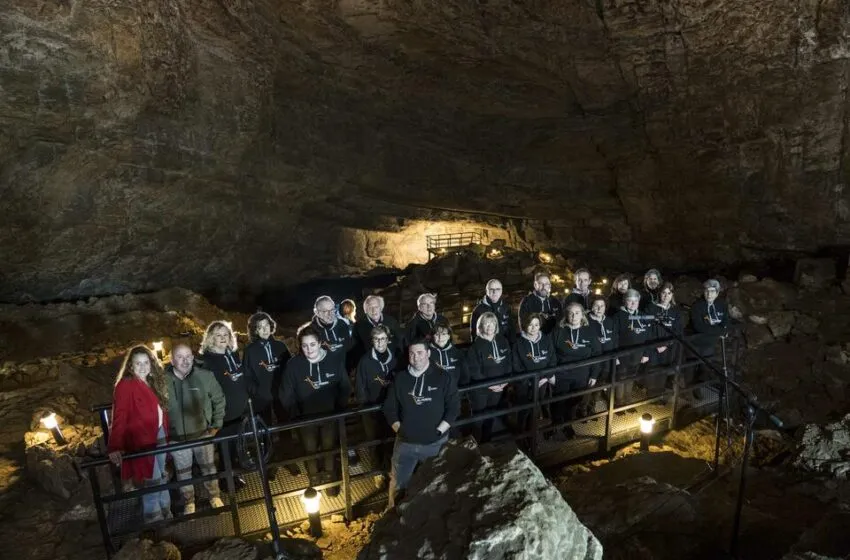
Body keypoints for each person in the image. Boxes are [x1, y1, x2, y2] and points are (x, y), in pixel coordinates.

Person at [383, 339, 459, 508]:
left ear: (428, 353)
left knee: (437, 483)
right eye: (412, 353)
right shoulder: (400, 378)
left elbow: (453, 408)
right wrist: (401, 430)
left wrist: (439, 431)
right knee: (398, 485)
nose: (415, 357)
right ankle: (393, 518)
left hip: (435, 444)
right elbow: (389, 408)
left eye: (419, 353)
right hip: (405, 444)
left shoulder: (443, 377)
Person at [279, 326, 350, 495]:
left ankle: (330, 478)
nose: (309, 349)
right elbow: (286, 393)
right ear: (300, 346)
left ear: (320, 343)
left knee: (329, 446)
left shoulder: (334, 360)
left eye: (312, 344)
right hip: (305, 417)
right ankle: (314, 479)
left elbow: (344, 386)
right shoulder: (293, 365)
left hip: (329, 413)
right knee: (309, 449)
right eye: (304, 346)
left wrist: (338, 408)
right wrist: (295, 414)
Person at [107, 345, 171, 524]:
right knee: (153, 480)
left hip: (158, 434)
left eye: (146, 362)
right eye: (138, 363)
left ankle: (166, 512)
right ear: (131, 366)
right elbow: (119, 416)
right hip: (142, 439)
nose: (142, 367)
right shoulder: (126, 385)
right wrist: (114, 446)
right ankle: (154, 520)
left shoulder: (152, 381)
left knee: (163, 477)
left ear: (151, 364)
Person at [165, 344, 226, 515]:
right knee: (183, 472)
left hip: (202, 434)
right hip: (177, 438)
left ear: (193, 357)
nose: (185, 361)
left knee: (208, 467)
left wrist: (216, 424)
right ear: (171, 360)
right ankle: (189, 502)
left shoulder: (205, 376)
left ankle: (214, 496)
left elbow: (219, 399)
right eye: (180, 357)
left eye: (188, 356)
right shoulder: (163, 381)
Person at [355, 325, 397, 480]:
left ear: (388, 339)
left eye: (383, 339)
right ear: (372, 341)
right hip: (372, 407)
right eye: (376, 339)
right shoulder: (365, 361)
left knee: (391, 439)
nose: (380, 343)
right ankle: (377, 473)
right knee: (374, 441)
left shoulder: (395, 358)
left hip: (392, 408)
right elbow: (360, 386)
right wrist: (366, 407)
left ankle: (391, 469)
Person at [552, 303, 601, 433]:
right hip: (562, 374)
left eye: (577, 313)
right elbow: (551, 353)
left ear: (582, 315)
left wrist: (594, 375)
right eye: (571, 313)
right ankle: (555, 425)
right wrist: (550, 375)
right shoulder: (559, 331)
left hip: (581, 374)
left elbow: (597, 354)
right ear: (566, 315)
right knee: (559, 401)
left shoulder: (589, 331)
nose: (574, 316)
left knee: (574, 401)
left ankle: (568, 425)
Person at [465, 312, 512, 443]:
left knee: (491, 416)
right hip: (481, 390)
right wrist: (490, 385)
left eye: (492, 323)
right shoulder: (475, 347)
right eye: (486, 324)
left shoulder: (503, 341)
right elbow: (474, 370)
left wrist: (505, 381)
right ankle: (473, 443)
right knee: (478, 419)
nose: (489, 326)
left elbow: (508, 362)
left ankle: (486, 441)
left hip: (499, 388)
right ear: (480, 327)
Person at [511, 313, 558, 442]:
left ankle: (535, 434)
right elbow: (516, 365)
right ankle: (521, 436)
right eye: (530, 325)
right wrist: (530, 381)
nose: (533, 328)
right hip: (525, 383)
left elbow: (552, 360)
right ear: (525, 326)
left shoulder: (546, 340)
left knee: (539, 407)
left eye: (536, 325)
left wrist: (545, 377)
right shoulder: (518, 343)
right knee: (524, 410)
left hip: (542, 381)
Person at [243, 312, 292, 426]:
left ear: (271, 326)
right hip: (262, 398)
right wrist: (257, 392)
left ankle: (287, 444)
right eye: (260, 327)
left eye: (267, 326)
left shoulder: (280, 346)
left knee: (285, 425)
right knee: (265, 428)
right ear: (255, 330)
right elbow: (247, 376)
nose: (265, 330)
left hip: (280, 394)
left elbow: (289, 369)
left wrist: (287, 389)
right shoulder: (250, 351)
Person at [612, 290, 653, 407]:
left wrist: (646, 353)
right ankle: (619, 403)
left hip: (637, 354)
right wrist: (616, 356)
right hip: (622, 354)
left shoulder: (643, 316)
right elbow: (614, 337)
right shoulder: (618, 316)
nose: (633, 304)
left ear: (639, 302)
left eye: (635, 301)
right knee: (621, 378)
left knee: (631, 377)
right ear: (625, 301)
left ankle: (628, 400)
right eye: (630, 301)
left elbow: (648, 336)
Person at [689, 279, 728, 396]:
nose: (709, 294)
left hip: (709, 343)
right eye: (707, 291)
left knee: (704, 368)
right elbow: (699, 326)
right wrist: (719, 331)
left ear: (717, 293)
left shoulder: (722, 305)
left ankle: (698, 388)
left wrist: (720, 329)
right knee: (690, 367)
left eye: (712, 291)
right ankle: (687, 390)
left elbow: (726, 322)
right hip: (694, 342)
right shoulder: (697, 306)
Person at [587, 295, 618, 404]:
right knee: (589, 386)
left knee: (601, 383)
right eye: (596, 306)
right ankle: (584, 409)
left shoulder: (610, 321)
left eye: (602, 306)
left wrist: (616, 356)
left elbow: (614, 339)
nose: (600, 309)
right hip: (592, 361)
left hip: (607, 360)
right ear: (591, 307)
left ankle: (594, 403)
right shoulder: (585, 321)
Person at [469, 279, 515, 343]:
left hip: (504, 347)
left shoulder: (506, 308)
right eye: (491, 289)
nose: (494, 292)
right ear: (486, 291)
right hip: (486, 348)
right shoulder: (478, 310)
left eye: (498, 289)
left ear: (501, 291)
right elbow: (474, 335)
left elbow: (511, 331)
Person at [429, 320, 466, 387]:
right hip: (434, 393)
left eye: (443, 334)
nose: (440, 338)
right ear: (432, 336)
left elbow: (465, 375)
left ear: (449, 336)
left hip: (455, 392)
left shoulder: (457, 353)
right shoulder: (426, 353)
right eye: (437, 334)